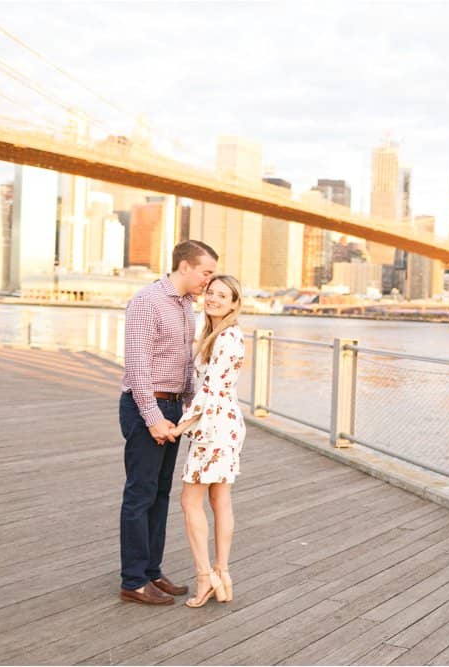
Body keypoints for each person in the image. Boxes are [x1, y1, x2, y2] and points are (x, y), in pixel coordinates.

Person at [118, 240, 219, 605]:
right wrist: (153, 418)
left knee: (160, 494)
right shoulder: (148, 302)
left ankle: (151, 571)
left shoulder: (185, 307)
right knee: (140, 493)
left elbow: (183, 367)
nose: (209, 281)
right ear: (185, 266)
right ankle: (133, 580)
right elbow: (138, 367)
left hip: (173, 409)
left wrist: (190, 411)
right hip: (148, 408)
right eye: (206, 273)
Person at [170, 274, 246, 607]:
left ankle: (205, 577)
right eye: (211, 292)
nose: (213, 298)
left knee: (190, 501)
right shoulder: (217, 334)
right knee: (220, 500)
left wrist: (179, 425)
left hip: (212, 426)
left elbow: (211, 389)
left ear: (233, 303)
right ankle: (222, 573)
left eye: (222, 295)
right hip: (223, 424)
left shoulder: (227, 337)